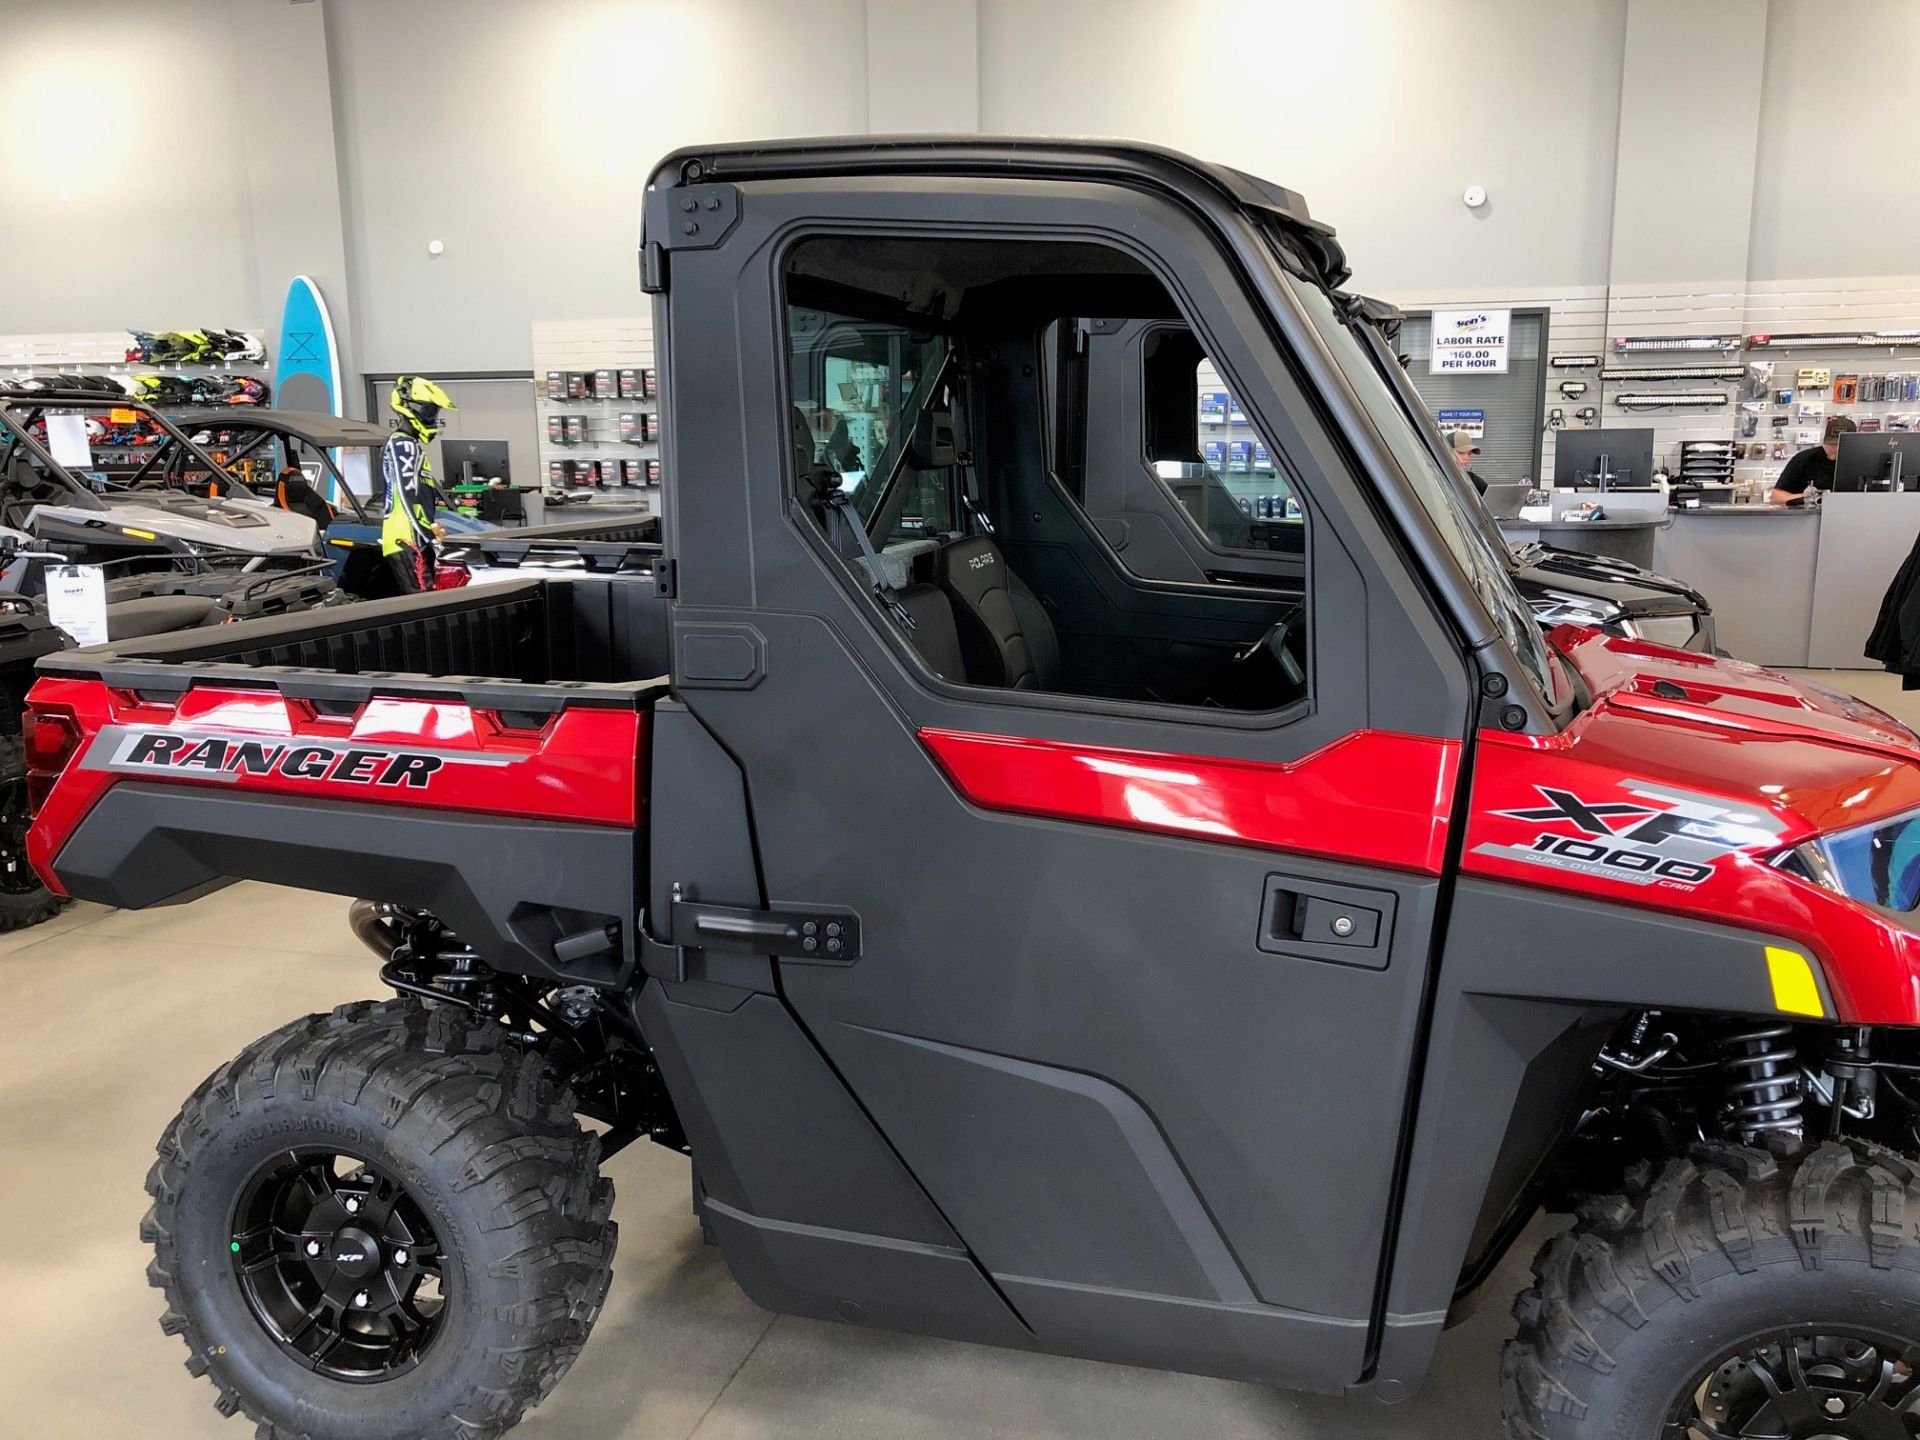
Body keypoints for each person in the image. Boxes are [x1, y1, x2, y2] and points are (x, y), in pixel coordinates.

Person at [381, 376, 457, 590]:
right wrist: (427, 536)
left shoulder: (409, 444)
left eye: (434, 412)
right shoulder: (403, 444)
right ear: (409, 408)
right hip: (408, 540)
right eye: (428, 412)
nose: (432, 418)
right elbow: (406, 496)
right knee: (426, 605)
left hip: (413, 538)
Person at [1770, 416, 1858, 504]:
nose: (1835, 449)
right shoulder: (1805, 459)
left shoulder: (1861, 464)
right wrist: (1804, 497)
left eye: (1841, 444)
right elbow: (1776, 498)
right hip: (1810, 516)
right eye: (1832, 444)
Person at [1448, 430, 1489, 495]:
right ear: (1447, 451)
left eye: (1469, 454)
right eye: (1461, 453)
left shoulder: (1473, 480)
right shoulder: (1434, 475)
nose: (1466, 458)